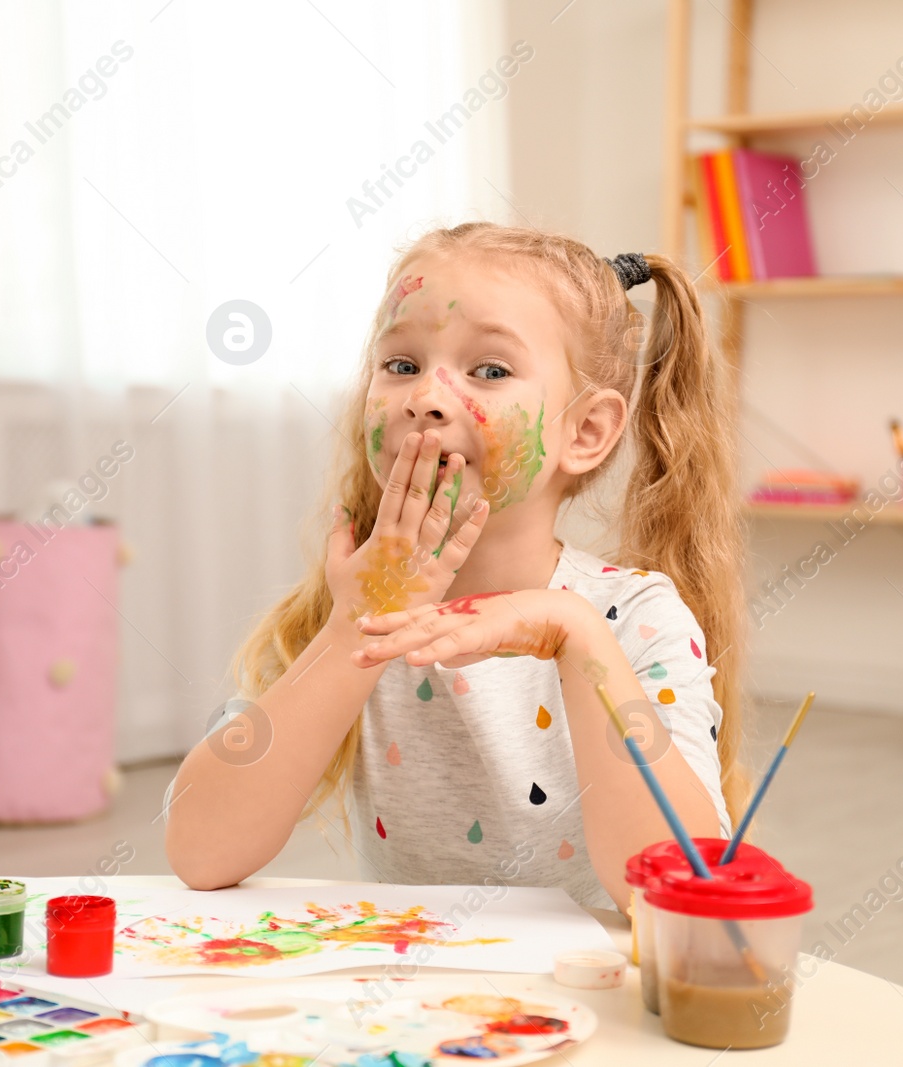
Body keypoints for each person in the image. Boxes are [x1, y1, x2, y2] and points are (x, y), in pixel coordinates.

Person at [166, 222, 749, 909]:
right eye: (402, 365)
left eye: (490, 371)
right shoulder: (357, 607)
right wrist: (352, 632)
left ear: (586, 430)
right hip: (408, 999)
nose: (426, 397)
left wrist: (575, 634)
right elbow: (200, 852)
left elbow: (678, 886)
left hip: (589, 998)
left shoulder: (633, 618)